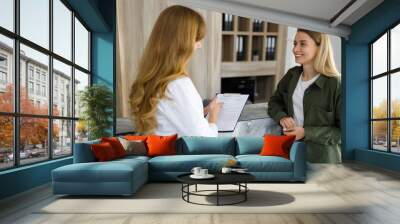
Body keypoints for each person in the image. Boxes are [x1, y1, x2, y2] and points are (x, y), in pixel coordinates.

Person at [129, 5, 222, 137]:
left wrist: (201, 112)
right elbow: (203, 140)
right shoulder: (178, 84)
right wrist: (213, 118)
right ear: (182, 42)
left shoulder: (153, 81)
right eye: (196, 39)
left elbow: (169, 120)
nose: (199, 45)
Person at [268, 29, 341, 163]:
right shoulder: (292, 75)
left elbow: (343, 133)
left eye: (303, 44)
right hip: (290, 155)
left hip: (323, 163)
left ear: (320, 47)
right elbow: (274, 102)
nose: (296, 49)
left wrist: (306, 132)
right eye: (295, 43)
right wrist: (282, 116)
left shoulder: (335, 84)